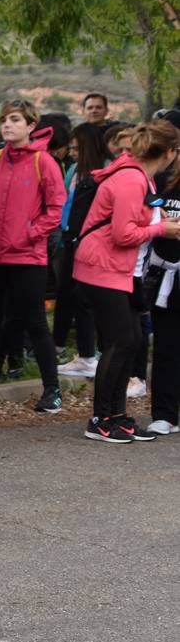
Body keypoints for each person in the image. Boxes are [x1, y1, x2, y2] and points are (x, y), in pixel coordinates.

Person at [74, 121, 180, 443]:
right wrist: (163, 230)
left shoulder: (140, 176)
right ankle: (101, 418)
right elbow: (123, 234)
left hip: (120, 269)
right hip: (103, 266)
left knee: (132, 339)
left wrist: (160, 223)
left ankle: (117, 415)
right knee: (120, 341)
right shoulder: (132, 179)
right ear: (170, 152)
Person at [0, 101, 66, 413]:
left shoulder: (45, 162)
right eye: (4, 120)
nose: (7, 125)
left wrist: (30, 232)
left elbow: (56, 209)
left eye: (15, 120)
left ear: (31, 126)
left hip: (27, 255)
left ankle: (52, 389)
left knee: (34, 321)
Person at [55, 124, 109, 377]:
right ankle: (84, 354)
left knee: (84, 299)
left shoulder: (104, 172)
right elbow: (65, 197)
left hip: (88, 241)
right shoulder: (75, 170)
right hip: (69, 237)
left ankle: (90, 355)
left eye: (77, 148)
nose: (73, 153)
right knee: (69, 294)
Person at [145, 139, 180, 435]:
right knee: (167, 346)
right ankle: (165, 413)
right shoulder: (160, 180)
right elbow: (143, 215)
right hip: (165, 274)